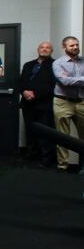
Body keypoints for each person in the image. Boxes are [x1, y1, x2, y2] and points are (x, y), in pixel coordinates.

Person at [17, 41, 56, 167]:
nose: (44, 49)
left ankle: (46, 158)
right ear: (37, 49)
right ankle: (31, 154)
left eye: (47, 48)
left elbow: (53, 85)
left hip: (44, 104)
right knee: (30, 130)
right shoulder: (28, 65)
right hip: (27, 104)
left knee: (45, 132)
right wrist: (24, 92)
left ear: (51, 51)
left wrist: (35, 94)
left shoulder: (55, 65)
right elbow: (21, 81)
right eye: (42, 47)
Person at [51, 36, 84, 171]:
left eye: (76, 45)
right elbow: (63, 81)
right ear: (64, 48)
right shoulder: (58, 63)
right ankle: (62, 165)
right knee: (62, 136)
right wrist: (79, 79)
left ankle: (83, 165)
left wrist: (71, 79)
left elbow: (68, 80)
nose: (75, 47)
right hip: (62, 102)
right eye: (71, 46)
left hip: (82, 102)